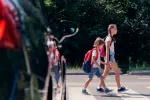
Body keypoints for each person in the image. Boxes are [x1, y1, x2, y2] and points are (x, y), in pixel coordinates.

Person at [102, 24, 127, 92]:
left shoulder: (110, 37)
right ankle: (119, 87)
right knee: (117, 72)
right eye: (115, 28)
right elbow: (107, 50)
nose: (116, 30)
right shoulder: (109, 38)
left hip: (109, 56)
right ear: (111, 29)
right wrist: (107, 60)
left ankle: (99, 86)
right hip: (110, 56)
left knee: (106, 72)